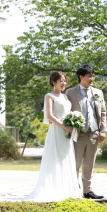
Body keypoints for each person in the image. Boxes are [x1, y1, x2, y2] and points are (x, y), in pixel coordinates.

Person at [27, 71, 82, 202]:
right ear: (53, 82)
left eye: (64, 81)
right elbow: (50, 116)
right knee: (55, 158)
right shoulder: (49, 96)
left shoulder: (66, 97)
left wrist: (73, 124)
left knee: (66, 159)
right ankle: (53, 189)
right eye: (60, 81)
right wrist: (65, 126)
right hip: (57, 131)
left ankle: (66, 190)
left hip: (67, 131)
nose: (63, 83)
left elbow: (68, 113)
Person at [65, 64, 107, 199]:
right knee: (75, 164)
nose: (92, 78)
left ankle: (87, 191)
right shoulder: (70, 92)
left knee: (89, 164)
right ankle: (74, 191)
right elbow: (66, 112)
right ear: (81, 77)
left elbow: (103, 112)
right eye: (89, 76)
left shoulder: (98, 92)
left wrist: (102, 130)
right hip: (79, 134)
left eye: (93, 76)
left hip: (94, 133)